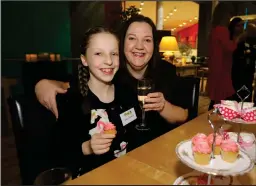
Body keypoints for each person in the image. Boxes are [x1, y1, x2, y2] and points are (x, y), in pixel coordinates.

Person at [36, 15, 188, 149]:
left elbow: (184, 115)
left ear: (154, 45)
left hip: (161, 146)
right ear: (122, 44)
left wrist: (163, 106)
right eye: (132, 38)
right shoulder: (113, 74)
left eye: (147, 40)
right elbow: (79, 85)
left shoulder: (165, 71)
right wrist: (43, 84)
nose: (139, 46)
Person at [53, 27, 132, 177]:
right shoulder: (72, 101)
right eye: (98, 53)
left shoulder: (127, 93)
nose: (109, 61)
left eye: (113, 54)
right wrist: (88, 147)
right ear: (84, 59)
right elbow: (59, 154)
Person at [207, 3, 246, 110]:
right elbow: (230, 47)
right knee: (222, 100)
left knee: (217, 100)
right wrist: (238, 38)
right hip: (222, 69)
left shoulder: (214, 30)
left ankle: (212, 119)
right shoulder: (222, 30)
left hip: (216, 68)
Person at [231, 21, 256, 102]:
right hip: (233, 76)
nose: (241, 27)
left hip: (247, 76)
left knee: (245, 99)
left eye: (242, 25)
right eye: (238, 25)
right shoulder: (231, 41)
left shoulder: (247, 42)